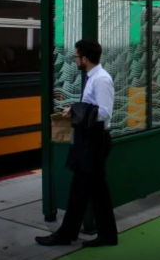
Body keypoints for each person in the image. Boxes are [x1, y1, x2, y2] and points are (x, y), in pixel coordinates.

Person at [36, 39, 118, 248]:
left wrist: (75, 109)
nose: (74, 60)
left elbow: (104, 112)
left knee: (83, 189)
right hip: (89, 140)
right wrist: (75, 109)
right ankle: (103, 235)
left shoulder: (101, 80)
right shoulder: (93, 77)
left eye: (76, 57)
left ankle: (67, 235)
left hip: (95, 141)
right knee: (92, 190)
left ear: (85, 58)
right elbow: (91, 109)